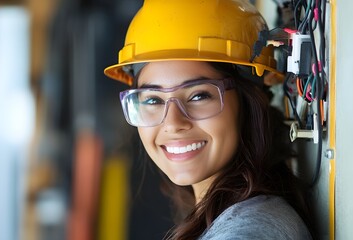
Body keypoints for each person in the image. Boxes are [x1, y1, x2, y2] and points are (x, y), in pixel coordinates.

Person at [104, 0, 313, 239]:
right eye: (153, 100)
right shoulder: (236, 216)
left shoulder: (249, 231)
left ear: (249, 102)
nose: (172, 123)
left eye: (198, 95)